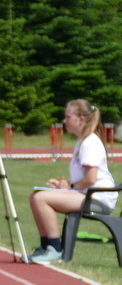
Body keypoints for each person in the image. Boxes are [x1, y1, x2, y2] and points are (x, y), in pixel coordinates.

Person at [28, 99, 118, 264]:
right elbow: (84, 180)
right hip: (87, 194)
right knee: (36, 196)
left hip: (98, 198)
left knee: (40, 198)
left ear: (81, 119)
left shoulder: (90, 142)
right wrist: (64, 185)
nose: (64, 121)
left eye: (68, 117)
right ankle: (45, 246)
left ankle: (54, 248)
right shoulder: (82, 141)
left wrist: (69, 187)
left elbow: (91, 179)